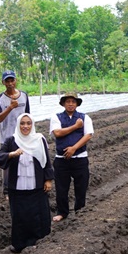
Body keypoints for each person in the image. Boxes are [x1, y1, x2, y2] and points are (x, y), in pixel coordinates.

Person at [0, 113, 55, 253]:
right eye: (22, 123)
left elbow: (46, 160)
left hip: (36, 185)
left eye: (28, 123)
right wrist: (12, 154)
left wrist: (48, 179)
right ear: (18, 125)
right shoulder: (11, 140)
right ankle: (20, 244)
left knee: (37, 214)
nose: (25, 126)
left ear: (32, 124)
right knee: (19, 216)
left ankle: (38, 241)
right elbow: (0, 157)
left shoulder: (39, 139)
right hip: (17, 187)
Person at [49, 92, 94, 222]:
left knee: (81, 186)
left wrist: (74, 148)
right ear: (63, 103)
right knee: (61, 187)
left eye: (73, 102)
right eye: (68, 101)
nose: (70, 104)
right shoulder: (56, 117)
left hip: (80, 157)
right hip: (61, 159)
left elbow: (88, 135)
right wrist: (75, 126)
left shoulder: (85, 118)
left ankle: (80, 210)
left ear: (77, 104)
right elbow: (57, 132)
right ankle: (62, 212)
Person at [0, 70, 29, 198]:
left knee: (24, 161)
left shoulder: (24, 96)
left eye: (12, 80)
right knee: (7, 164)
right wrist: (10, 108)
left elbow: (28, 116)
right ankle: (7, 191)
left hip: (23, 136)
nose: (10, 83)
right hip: (7, 137)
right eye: (7, 81)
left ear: (16, 80)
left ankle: (23, 186)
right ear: (3, 82)